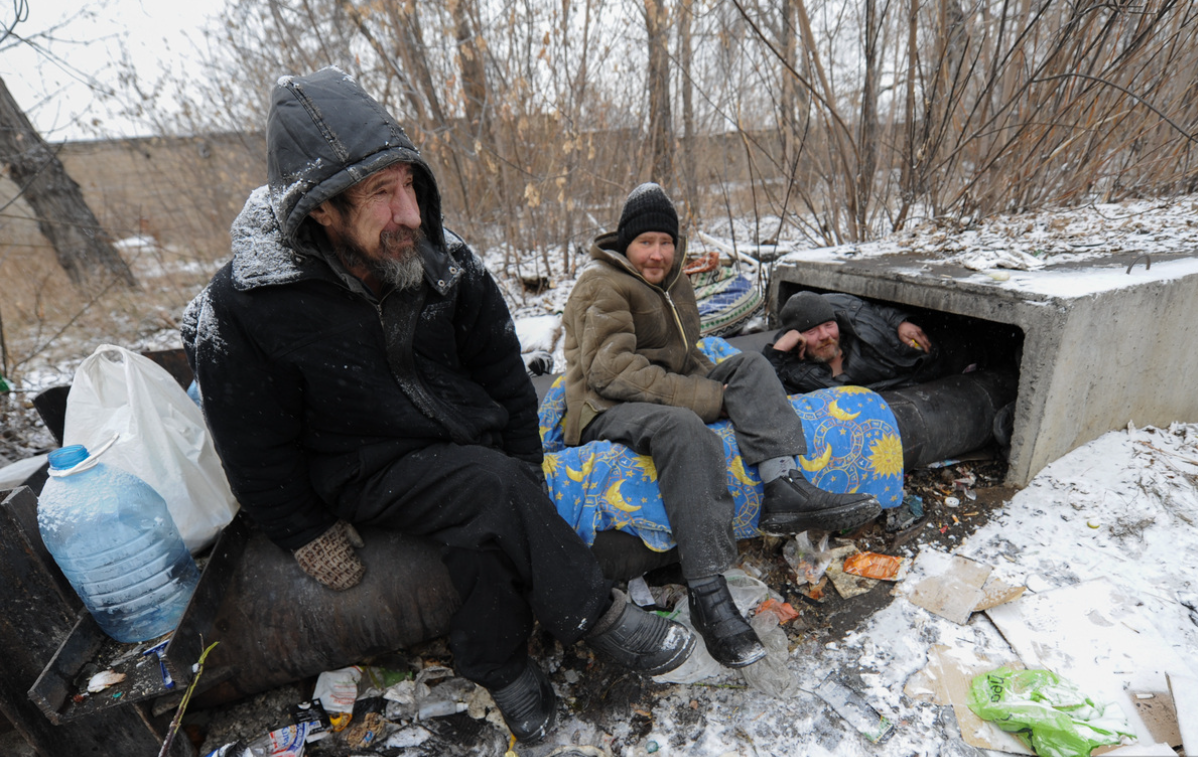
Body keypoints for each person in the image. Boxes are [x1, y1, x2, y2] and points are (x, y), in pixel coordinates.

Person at [182, 68, 695, 745]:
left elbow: (503, 372)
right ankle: (597, 617)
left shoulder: (445, 261)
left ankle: (499, 665)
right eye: (381, 195)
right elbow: (249, 437)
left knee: (485, 514)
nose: (410, 214)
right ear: (321, 209)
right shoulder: (246, 305)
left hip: (463, 438)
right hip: (358, 464)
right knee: (490, 488)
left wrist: (522, 462)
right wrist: (301, 529)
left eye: (408, 186)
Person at [561, 183, 881, 669]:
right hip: (604, 404)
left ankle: (784, 487)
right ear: (626, 243)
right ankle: (709, 594)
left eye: (666, 242)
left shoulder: (675, 282)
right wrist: (709, 398)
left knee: (751, 368)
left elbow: (684, 355)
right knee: (684, 428)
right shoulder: (601, 284)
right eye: (646, 242)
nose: (658, 253)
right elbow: (611, 371)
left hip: (664, 383)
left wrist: (716, 379)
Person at [765, 291, 956, 395]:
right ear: (797, 338)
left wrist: (899, 321)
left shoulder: (852, 324)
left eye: (829, 325)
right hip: (935, 380)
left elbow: (870, 310)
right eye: (812, 331)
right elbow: (762, 394)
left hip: (944, 353)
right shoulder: (797, 374)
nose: (824, 335)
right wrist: (779, 350)